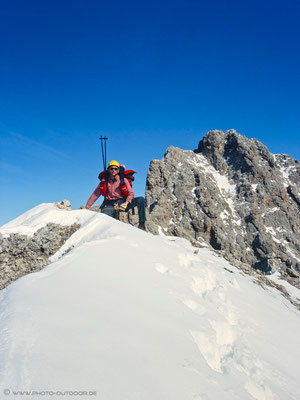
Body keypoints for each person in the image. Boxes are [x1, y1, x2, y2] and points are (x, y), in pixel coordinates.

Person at [83, 160, 146, 230]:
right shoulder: (105, 181)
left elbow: (131, 194)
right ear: (108, 170)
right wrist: (87, 207)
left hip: (122, 203)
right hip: (110, 204)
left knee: (141, 199)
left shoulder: (123, 180)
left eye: (116, 169)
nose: (113, 170)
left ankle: (142, 224)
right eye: (111, 169)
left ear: (118, 170)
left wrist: (126, 202)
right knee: (105, 221)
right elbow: (95, 195)